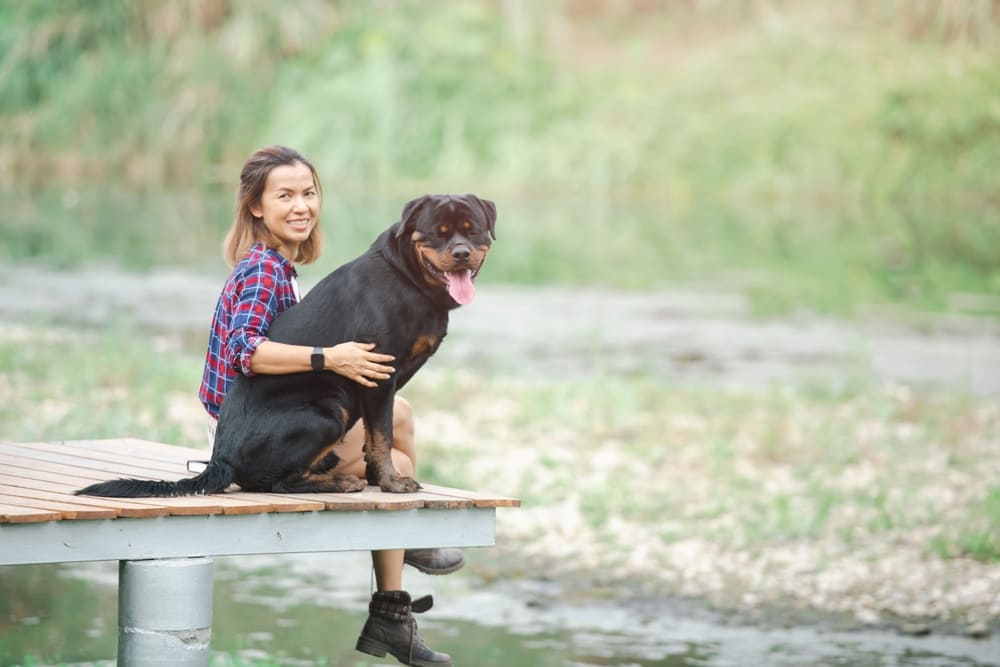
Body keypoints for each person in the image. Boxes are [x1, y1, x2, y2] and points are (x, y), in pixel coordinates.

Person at [198, 145, 461, 666]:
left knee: (400, 418)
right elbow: (245, 352)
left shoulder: (281, 264)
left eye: (309, 193)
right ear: (256, 206)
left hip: (268, 420)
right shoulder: (261, 271)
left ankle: (401, 572)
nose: (301, 206)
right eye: (285, 196)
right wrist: (330, 358)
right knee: (400, 466)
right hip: (258, 431)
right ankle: (392, 608)